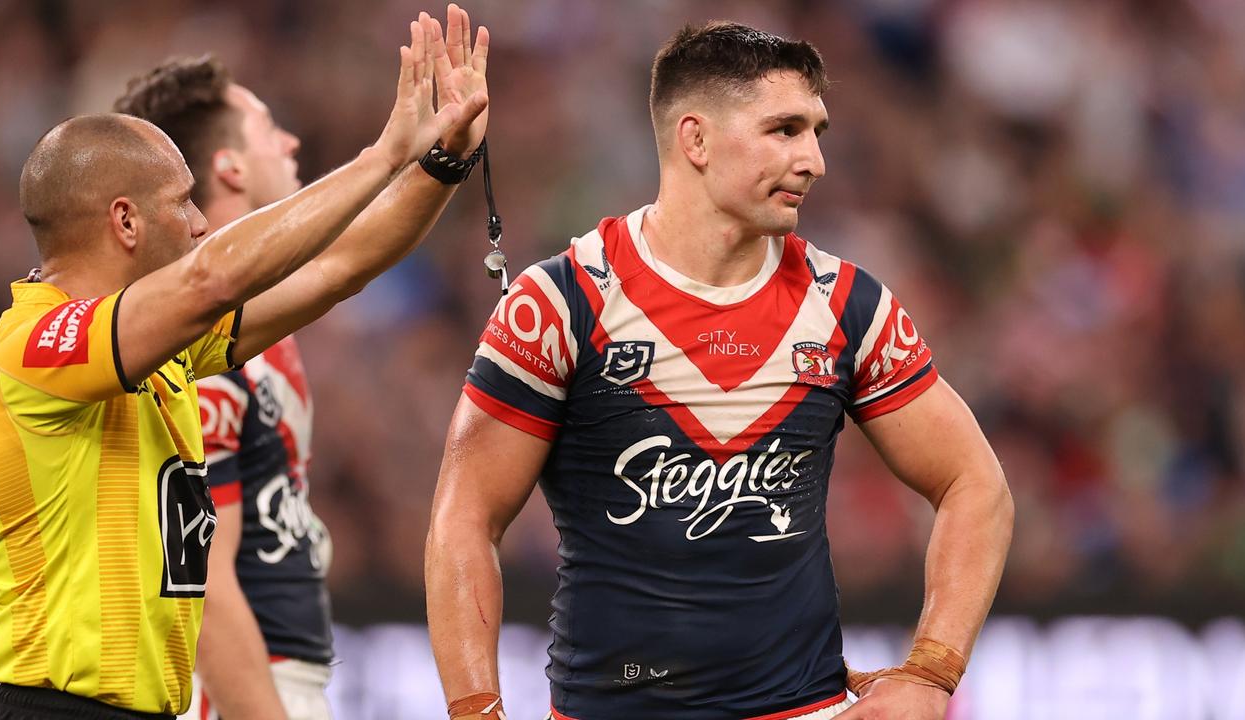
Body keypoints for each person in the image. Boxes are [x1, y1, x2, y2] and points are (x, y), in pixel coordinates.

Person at [425, 21, 1013, 720]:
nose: (815, 160)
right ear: (695, 140)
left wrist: (930, 673)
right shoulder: (560, 306)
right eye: (785, 130)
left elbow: (976, 485)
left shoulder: (848, 306)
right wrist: (476, 712)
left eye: (816, 131)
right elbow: (464, 519)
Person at [0, 15, 486, 720]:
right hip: (53, 710)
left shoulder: (166, 349)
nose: (199, 222)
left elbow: (338, 268)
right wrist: (382, 155)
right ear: (124, 221)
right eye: (181, 203)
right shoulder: (30, 346)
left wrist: (442, 162)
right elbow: (208, 280)